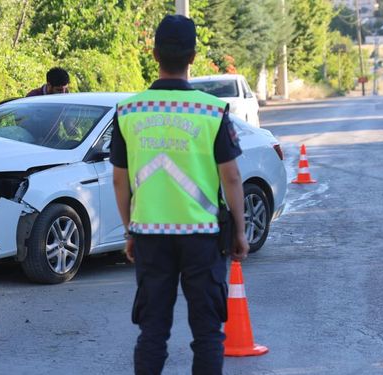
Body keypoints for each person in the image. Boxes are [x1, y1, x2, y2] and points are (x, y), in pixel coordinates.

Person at [109, 14, 249, 375]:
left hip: (150, 236)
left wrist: (129, 230)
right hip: (203, 237)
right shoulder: (211, 111)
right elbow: (231, 178)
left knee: (153, 331)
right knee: (207, 334)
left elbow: (119, 182)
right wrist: (239, 232)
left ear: (154, 55)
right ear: (193, 56)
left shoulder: (129, 111)